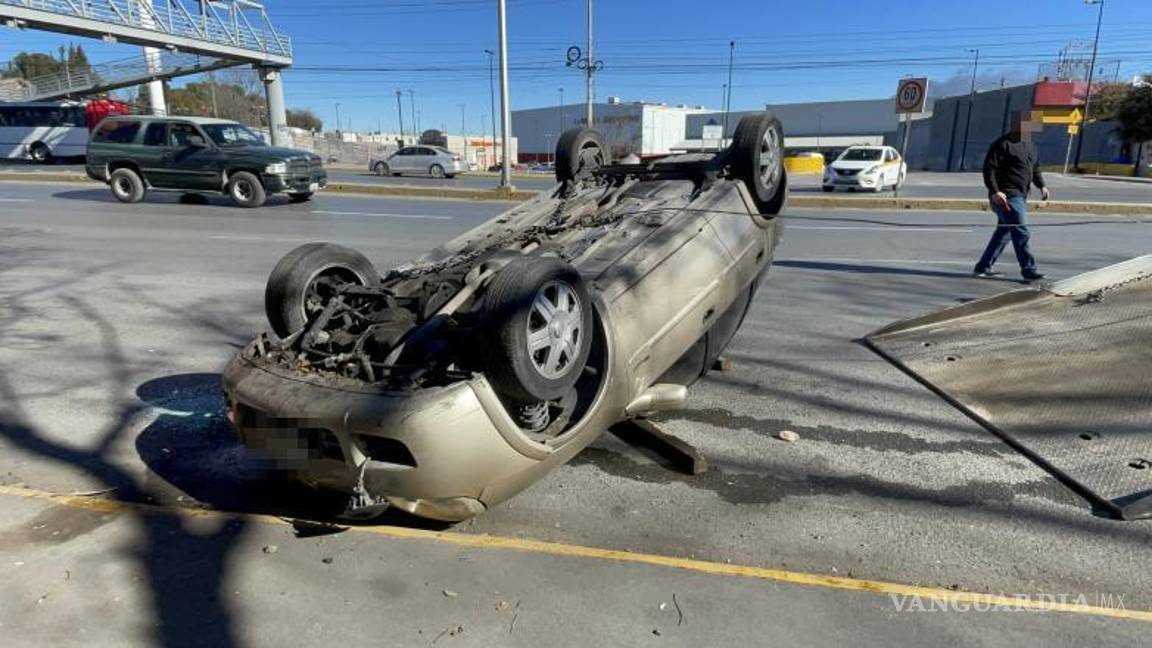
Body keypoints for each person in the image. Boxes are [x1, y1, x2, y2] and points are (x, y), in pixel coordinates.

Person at [974, 109, 1050, 282]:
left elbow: (1035, 168)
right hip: (1005, 196)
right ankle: (1029, 270)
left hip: (1021, 195)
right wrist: (995, 191)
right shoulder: (1002, 144)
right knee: (1021, 230)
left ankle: (983, 267)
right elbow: (989, 170)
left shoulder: (1031, 145)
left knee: (1005, 232)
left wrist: (1042, 186)